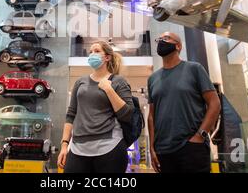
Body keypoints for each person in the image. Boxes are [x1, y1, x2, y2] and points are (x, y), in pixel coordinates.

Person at [147, 32, 221, 173]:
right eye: (159, 39)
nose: (162, 41)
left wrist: (201, 135)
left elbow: (214, 103)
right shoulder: (153, 79)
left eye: (166, 38)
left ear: (178, 46)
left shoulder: (194, 69)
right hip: (163, 150)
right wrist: (152, 147)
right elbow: (151, 115)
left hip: (192, 146)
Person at [57, 41, 134, 173]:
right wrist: (64, 145)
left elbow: (128, 114)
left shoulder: (118, 81)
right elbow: (71, 114)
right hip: (78, 148)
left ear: (107, 57)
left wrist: (109, 90)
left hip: (110, 147)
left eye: (97, 51)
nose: (92, 54)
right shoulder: (80, 82)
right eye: (90, 51)